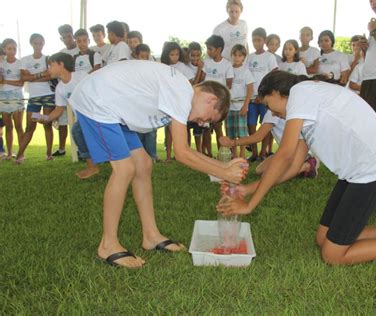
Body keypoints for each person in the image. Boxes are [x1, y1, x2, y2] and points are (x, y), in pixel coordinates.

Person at [217, 71, 376, 265]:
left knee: (333, 254)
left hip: (374, 172)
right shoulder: (305, 105)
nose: (273, 113)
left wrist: (250, 204)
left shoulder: (301, 91)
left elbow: (284, 154)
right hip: (355, 174)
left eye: (270, 105)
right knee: (323, 238)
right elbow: (292, 166)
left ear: (278, 92)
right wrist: (247, 190)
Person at [69, 60, 248, 268]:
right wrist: (223, 171)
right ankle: (108, 244)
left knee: (143, 164)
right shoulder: (182, 92)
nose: (201, 123)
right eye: (207, 119)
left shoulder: (180, 93)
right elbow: (182, 153)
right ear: (211, 99)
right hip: (97, 101)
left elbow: (186, 151)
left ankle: (151, 235)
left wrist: (223, 169)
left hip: (114, 109)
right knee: (124, 169)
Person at [16, 34, 56, 164]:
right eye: (36, 43)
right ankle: (19, 155)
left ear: (44, 43)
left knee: (47, 124)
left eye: (40, 43)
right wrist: (40, 74)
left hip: (48, 94)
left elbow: (50, 76)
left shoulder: (48, 59)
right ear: (31, 44)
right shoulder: (25, 60)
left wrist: (32, 76)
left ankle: (49, 153)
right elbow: (23, 78)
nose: (38, 45)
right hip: (34, 97)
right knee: (29, 127)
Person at [246, 27, 278, 162]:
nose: (256, 43)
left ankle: (263, 153)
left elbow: (274, 76)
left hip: (265, 100)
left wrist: (263, 95)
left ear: (264, 41)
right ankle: (254, 153)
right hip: (252, 99)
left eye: (259, 40)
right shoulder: (249, 57)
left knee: (266, 126)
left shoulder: (270, 57)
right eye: (254, 40)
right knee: (251, 125)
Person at [161, 41, 196, 162]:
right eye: (172, 54)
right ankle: (168, 155)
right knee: (168, 129)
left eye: (176, 54)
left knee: (181, 128)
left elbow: (191, 80)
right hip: (167, 101)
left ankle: (185, 154)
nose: (174, 57)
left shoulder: (182, 66)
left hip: (179, 101)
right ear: (166, 55)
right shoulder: (163, 66)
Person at [203, 35, 234, 156]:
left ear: (219, 49)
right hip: (205, 101)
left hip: (219, 102)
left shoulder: (227, 65)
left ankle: (222, 153)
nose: (208, 51)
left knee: (218, 127)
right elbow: (202, 79)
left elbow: (229, 84)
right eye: (207, 49)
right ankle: (208, 153)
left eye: (210, 49)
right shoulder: (206, 63)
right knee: (205, 127)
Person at [55, 24, 79, 157]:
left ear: (73, 36)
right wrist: (46, 118)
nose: (67, 39)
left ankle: (84, 151)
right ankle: (62, 148)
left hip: (78, 92)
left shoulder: (81, 51)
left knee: (81, 124)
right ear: (61, 38)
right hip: (66, 93)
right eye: (64, 37)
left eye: (69, 36)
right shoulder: (61, 53)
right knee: (64, 121)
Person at [227, 44, 254, 158]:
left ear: (244, 57)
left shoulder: (246, 71)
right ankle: (234, 154)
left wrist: (245, 106)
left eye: (240, 55)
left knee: (242, 133)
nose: (237, 58)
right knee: (231, 132)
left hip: (241, 107)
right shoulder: (228, 69)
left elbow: (250, 89)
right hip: (229, 107)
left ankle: (242, 154)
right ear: (231, 55)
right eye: (235, 55)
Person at [0, 38, 24, 160]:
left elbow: (21, 83)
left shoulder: (20, 63)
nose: (12, 51)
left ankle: (21, 154)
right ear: (4, 50)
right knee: (8, 126)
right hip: (3, 95)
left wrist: (6, 81)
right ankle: (9, 153)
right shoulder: (1, 63)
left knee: (18, 126)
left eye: (14, 48)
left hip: (16, 95)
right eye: (9, 48)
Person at [187, 42, 205, 153]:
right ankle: (187, 150)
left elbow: (203, 82)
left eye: (198, 55)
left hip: (199, 103)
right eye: (192, 55)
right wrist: (199, 70)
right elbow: (194, 84)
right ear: (188, 55)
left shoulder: (205, 66)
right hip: (188, 102)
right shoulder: (186, 67)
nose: (195, 58)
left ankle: (199, 151)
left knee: (198, 128)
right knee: (186, 127)